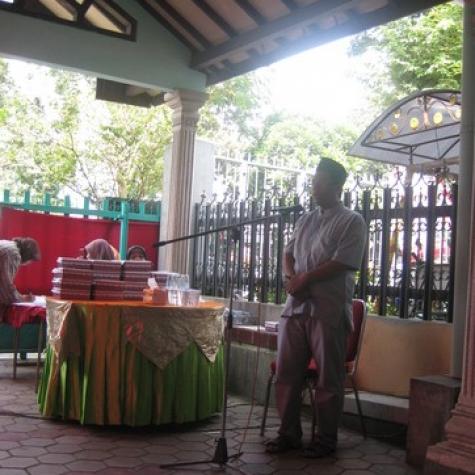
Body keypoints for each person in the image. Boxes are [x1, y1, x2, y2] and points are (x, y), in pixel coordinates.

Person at [265, 158, 367, 458]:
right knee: (287, 374)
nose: (314, 187)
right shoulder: (305, 220)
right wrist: (291, 278)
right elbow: (288, 253)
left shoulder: (352, 221)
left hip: (327, 310)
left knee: (328, 380)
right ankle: (288, 434)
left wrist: (306, 278)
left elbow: (343, 262)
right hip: (296, 308)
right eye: (313, 181)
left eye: (319, 182)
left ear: (337, 187)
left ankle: (325, 440)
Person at [0, 237, 41, 321]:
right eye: (30, 261)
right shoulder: (13, 253)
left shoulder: (6, 244)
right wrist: (23, 299)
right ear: (28, 255)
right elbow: (5, 286)